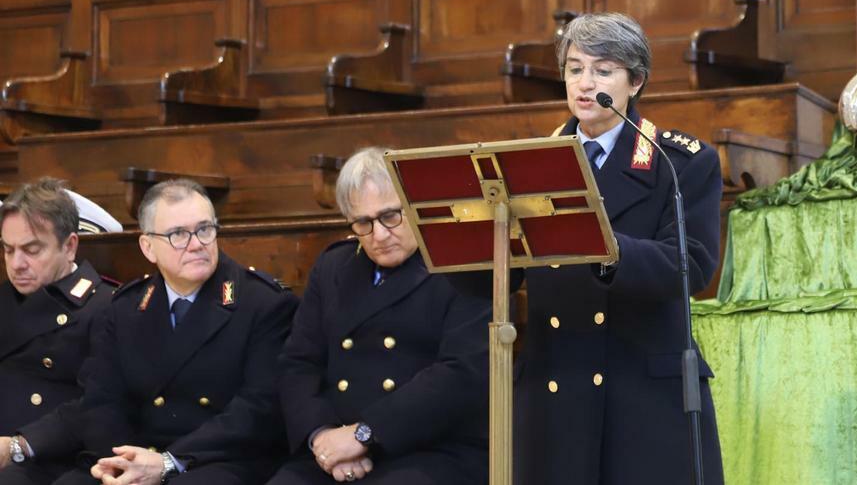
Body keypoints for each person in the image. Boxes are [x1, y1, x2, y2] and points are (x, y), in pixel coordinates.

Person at [480, 12, 726, 484]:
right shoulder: (529, 164)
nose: (585, 83)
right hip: (556, 383)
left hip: (640, 390)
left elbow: (691, 265)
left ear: (635, 81)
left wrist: (603, 248)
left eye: (602, 69)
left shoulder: (678, 163)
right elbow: (497, 272)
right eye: (575, 69)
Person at [50, 179, 298, 485]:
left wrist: (168, 462)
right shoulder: (124, 307)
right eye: (178, 234)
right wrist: (124, 462)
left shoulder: (263, 303)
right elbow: (100, 400)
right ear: (148, 247)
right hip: (138, 454)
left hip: (219, 460)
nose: (196, 244)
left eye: (205, 229)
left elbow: (259, 410)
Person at [267, 147, 491, 485]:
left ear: (416, 208)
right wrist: (323, 439)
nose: (380, 235)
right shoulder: (333, 267)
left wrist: (365, 435)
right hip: (335, 447)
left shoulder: (460, 267)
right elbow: (298, 362)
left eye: (391, 216)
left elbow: (460, 376)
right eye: (363, 223)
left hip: (429, 450)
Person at [0, 179, 117, 485]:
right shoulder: (3, 300)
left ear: (69, 246)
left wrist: (19, 445)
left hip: (55, 461)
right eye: (8, 250)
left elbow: (95, 405)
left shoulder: (104, 307)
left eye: (31, 250)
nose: (17, 264)